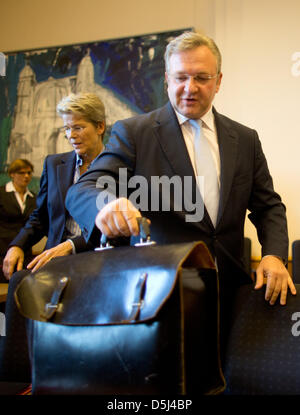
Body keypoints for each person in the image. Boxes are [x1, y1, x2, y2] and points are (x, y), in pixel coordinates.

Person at [65, 32, 296, 326]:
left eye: (201, 77)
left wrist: (274, 254)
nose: (190, 88)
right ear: (167, 79)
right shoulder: (135, 133)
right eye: (181, 77)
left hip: (231, 294)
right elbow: (84, 187)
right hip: (161, 296)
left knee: (228, 373)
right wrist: (105, 206)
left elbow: (268, 207)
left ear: (219, 81)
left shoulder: (246, 139)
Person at [3, 92, 106, 280]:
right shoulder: (53, 165)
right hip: (54, 262)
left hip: (99, 260)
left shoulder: (119, 166)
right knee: (18, 282)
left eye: (78, 128)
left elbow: (116, 227)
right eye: (66, 128)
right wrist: (17, 245)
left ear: (100, 127)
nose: (71, 136)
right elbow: (40, 217)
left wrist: (71, 246)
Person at [0, 159, 36, 282]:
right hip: (2, 251)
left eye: (29, 173)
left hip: (25, 251)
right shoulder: (1, 193)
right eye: (21, 173)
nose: (26, 176)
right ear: (12, 174)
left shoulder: (33, 198)